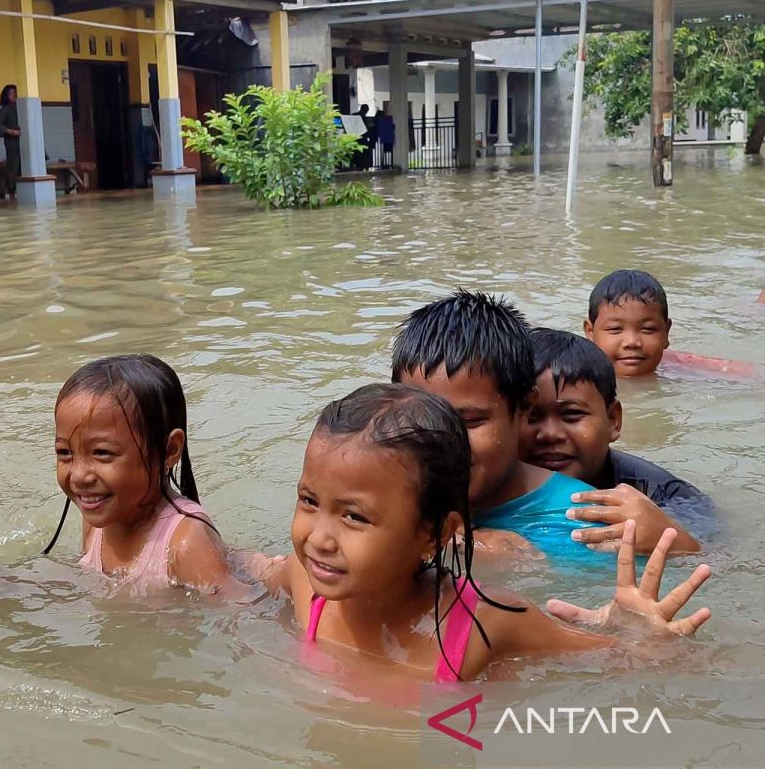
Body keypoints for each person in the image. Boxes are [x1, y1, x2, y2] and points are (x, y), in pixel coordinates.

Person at [258, 384, 711, 682]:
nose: (319, 537)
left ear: (435, 534)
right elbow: (240, 580)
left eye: (354, 517)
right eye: (309, 502)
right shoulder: (303, 579)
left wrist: (636, 636)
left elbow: (615, 660)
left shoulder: (486, 621)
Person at [0, 354, 242, 596]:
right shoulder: (97, 520)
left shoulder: (186, 542)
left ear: (169, 451)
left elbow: (235, 617)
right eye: (65, 453)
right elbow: (88, 586)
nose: (80, 475)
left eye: (101, 453)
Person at [390, 290, 599, 562]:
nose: (443, 444)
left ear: (524, 407)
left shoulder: (586, 524)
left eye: (469, 422)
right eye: (422, 420)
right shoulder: (381, 495)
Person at [521, 328, 707, 553]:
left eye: (571, 415)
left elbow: (719, 560)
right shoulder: (483, 482)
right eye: (530, 416)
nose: (550, 434)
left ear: (613, 420)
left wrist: (674, 545)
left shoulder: (663, 495)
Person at [585, 269, 763, 379]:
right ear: (590, 332)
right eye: (616, 329)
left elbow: (745, 372)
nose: (632, 342)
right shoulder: (574, 375)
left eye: (648, 329)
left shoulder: (674, 364)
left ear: (666, 333)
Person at [0, 84, 21, 200]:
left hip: (23, 141)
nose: (14, 95)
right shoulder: (5, 109)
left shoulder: (20, 107)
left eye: (15, 93)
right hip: (12, 142)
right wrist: (11, 132)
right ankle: (11, 191)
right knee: (13, 165)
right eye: (11, 93)